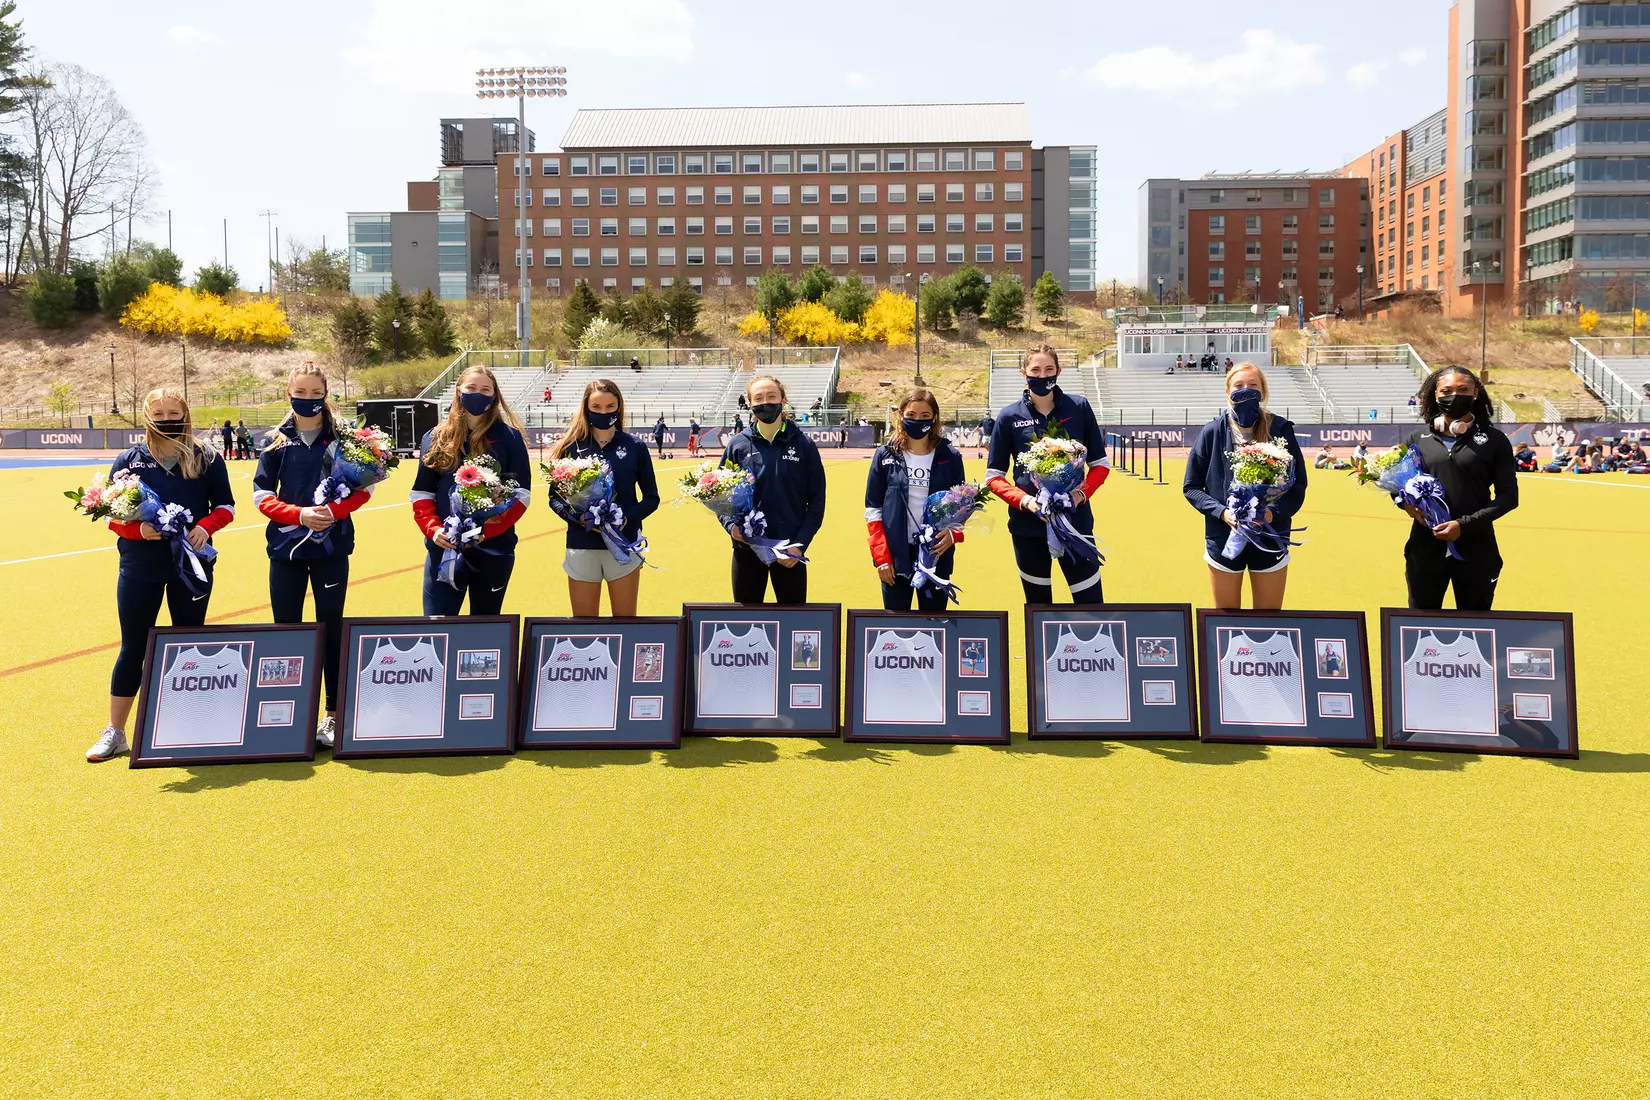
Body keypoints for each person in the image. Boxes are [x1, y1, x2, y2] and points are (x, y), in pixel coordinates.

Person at [86, 388, 236, 761]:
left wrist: (206, 527)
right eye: (160, 412)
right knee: (132, 648)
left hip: (191, 565)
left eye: (175, 411)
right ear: (147, 415)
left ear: (185, 414)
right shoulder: (129, 460)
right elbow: (111, 515)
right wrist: (139, 531)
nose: (168, 418)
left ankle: (189, 725)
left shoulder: (207, 457)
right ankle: (116, 731)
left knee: (190, 647)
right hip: (140, 567)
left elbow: (226, 506)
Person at [252, 362, 371, 748]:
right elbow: (261, 496)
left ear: (325, 393)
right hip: (284, 550)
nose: (306, 399)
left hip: (332, 548)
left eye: (313, 392)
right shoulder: (275, 441)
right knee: (287, 631)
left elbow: (364, 489)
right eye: (299, 393)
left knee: (332, 628)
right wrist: (300, 514)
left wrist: (332, 513)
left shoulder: (344, 438)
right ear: (289, 393)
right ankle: (287, 714)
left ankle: (333, 716)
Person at [986, 343, 1109, 604]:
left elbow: (1100, 465)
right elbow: (994, 477)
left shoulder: (1079, 407)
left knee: (1091, 605)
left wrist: (1077, 497)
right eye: (1035, 370)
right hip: (1027, 528)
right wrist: (1028, 502)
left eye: (1049, 369)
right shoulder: (1008, 416)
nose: (1042, 376)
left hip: (1076, 524)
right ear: (1024, 372)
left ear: (1059, 371)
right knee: (1038, 609)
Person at [1183, 364, 1308, 610]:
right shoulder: (1211, 433)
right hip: (1224, 538)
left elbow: (1298, 486)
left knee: (1268, 618)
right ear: (1227, 391)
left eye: (1253, 385)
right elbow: (1191, 487)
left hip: (1271, 536)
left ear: (1263, 392)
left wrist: (1273, 513)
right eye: (1239, 386)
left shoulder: (1280, 429)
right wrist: (1223, 513)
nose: (1245, 390)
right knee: (1226, 622)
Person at [409, 366, 532, 616]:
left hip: (493, 551)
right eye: (471, 388)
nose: (478, 394)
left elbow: (520, 495)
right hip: (444, 549)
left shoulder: (510, 438)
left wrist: (484, 531)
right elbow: (422, 493)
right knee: (437, 627)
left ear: (495, 395)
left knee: (486, 630)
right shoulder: (436, 437)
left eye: (485, 389)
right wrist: (434, 531)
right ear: (459, 392)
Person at [1397, 365, 1518, 611]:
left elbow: (1508, 498)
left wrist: (1463, 526)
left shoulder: (1495, 441)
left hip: (1477, 547)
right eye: (1447, 390)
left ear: (1475, 393)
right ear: (1435, 395)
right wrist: (1405, 504)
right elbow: (1399, 485)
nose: (1454, 396)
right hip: (1425, 546)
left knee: (1475, 624)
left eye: (1463, 389)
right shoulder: (1416, 439)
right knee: (1420, 623)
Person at [548, 379, 659, 616]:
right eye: (596, 407)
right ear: (586, 407)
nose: (603, 412)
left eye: (610, 406)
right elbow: (554, 498)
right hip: (582, 545)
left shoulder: (635, 446)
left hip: (623, 545)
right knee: (585, 627)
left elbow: (652, 498)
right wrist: (579, 519)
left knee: (625, 624)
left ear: (619, 407)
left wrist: (626, 518)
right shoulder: (570, 448)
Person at [721, 375, 826, 604]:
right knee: (746, 622)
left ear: (783, 400)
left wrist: (799, 545)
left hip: (789, 553)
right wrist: (731, 526)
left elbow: (816, 504)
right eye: (758, 398)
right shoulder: (737, 445)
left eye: (771, 396)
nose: (765, 402)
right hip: (747, 550)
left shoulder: (804, 445)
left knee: (793, 625)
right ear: (749, 404)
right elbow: (721, 497)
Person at [865, 389, 969, 612]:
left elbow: (961, 505)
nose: (918, 420)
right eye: (911, 415)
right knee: (897, 625)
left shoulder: (950, 456)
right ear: (901, 415)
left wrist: (953, 535)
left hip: (935, 553)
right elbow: (873, 510)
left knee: (934, 625)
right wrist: (882, 557)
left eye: (924, 416)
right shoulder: (885, 455)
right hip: (894, 555)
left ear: (934, 418)